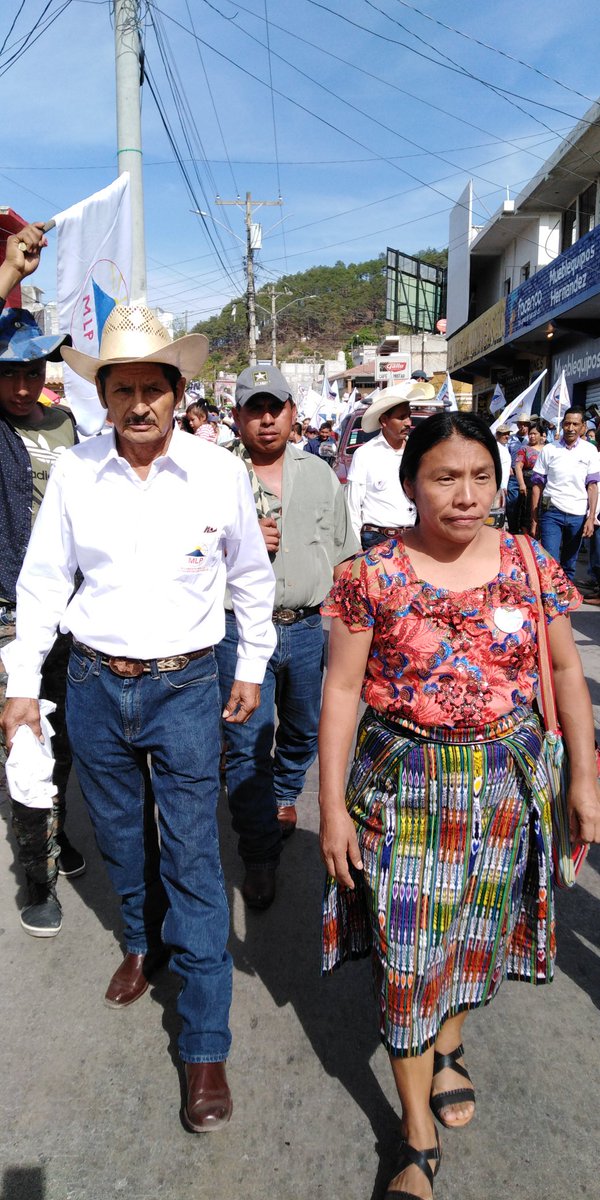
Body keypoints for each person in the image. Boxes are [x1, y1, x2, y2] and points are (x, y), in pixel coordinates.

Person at [0, 304, 276, 1133]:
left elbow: (250, 580)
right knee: (122, 837)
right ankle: (141, 941)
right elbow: (45, 582)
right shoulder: (78, 473)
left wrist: (251, 667)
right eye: (122, 390)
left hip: (186, 684)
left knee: (192, 856)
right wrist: (22, 684)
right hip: (93, 681)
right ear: (104, 397)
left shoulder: (218, 473)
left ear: (177, 392)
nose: (139, 404)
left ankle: (204, 1042)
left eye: (153, 388)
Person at [318, 411, 600, 1200]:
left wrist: (583, 779)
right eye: (445, 477)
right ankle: (415, 1132)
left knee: (479, 930)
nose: (466, 495)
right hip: (404, 787)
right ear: (411, 484)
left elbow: (565, 674)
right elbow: (340, 692)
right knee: (409, 954)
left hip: (508, 783)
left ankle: (449, 1046)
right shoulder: (369, 574)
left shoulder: (530, 562)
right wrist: (331, 807)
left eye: (481, 477)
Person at [217, 364, 359, 910]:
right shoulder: (214, 475)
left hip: (304, 628)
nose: (266, 418)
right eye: (255, 408)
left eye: (275, 407)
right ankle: (258, 853)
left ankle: (283, 793)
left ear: (293, 413)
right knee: (246, 742)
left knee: (302, 729)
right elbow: (182, 555)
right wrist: (236, 542)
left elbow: (344, 554)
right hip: (237, 630)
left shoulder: (320, 473)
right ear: (237, 417)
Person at [0, 220, 85, 938]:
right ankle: (38, 877)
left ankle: (56, 829)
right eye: (9, 371)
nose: (24, 384)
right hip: (8, 610)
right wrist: (9, 271)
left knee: (71, 738)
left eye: (33, 370)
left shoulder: (64, 426)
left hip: (68, 608)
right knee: (27, 742)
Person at [346, 380, 434, 550]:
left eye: (408, 416)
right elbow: (352, 508)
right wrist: (356, 549)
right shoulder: (365, 454)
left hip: (413, 539)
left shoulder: (417, 453)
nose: (408, 422)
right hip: (376, 541)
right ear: (384, 421)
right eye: (401, 417)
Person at [530, 407, 600, 580]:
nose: (571, 428)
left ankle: (566, 594)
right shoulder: (549, 449)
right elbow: (537, 485)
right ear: (562, 425)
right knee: (550, 560)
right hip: (551, 512)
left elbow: (592, 486)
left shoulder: (590, 451)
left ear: (583, 427)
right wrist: (534, 518)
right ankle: (550, 593)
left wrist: (591, 517)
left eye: (575, 424)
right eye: (567, 423)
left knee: (569, 563)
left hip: (578, 514)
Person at [514, 418, 544, 532]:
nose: (532, 436)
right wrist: (522, 484)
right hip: (528, 483)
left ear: (541, 435)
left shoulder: (547, 449)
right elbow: (518, 466)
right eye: (530, 434)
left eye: (535, 434)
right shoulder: (524, 449)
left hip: (544, 484)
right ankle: (526, 534)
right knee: (527, 511)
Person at [505, 415, 532, 532]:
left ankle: (525, 528)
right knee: (513, 503)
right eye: (521, 424)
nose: (523, 427)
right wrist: (508, 467)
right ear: (517, 425)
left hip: (528, 475)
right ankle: (513, 529)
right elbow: (505, 454)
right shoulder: (510, 440)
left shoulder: (532, 439)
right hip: (513, 474)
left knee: (527, 504)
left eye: (525, 424)